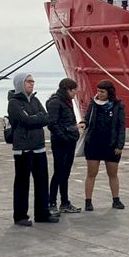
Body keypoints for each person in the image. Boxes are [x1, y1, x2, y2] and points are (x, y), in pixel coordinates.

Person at [9, 73, 57, 226]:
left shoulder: (35, 100)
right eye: (28, 81)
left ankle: (42, 213)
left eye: (33, 81)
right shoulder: (14, 103)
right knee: (22, 183)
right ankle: (20, 216)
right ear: (20, 83)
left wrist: (34, 118)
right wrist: (37, 118)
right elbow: (25, 120)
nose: (32, 84)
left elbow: (47, 117)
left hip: (39, 147)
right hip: (23, 149)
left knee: (42, 182)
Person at [81, 80, 125, 211]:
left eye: (102, 91)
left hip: (111, 144)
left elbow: (121, 126)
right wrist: (83, 123)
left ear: (109, 92)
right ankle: (88, 201)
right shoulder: (93, 104)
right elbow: (87, 118)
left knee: (112, 173)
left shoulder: (118, 106)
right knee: (91, 173)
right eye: (98, 91)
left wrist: (120, 145)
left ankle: (116, 200)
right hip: (94, 143)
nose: (99, 94)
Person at [46, 77, 83, 214]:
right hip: (60, 143)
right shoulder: (55, 102)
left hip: (70, 141)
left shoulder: (67, 101)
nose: (75, 93)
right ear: (67, 89)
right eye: (73, 91)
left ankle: (65, 202)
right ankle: (52, 202)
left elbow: (68, 121)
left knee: (65, 172)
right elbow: (52, 123)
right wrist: (64, 137)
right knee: (58, 172)